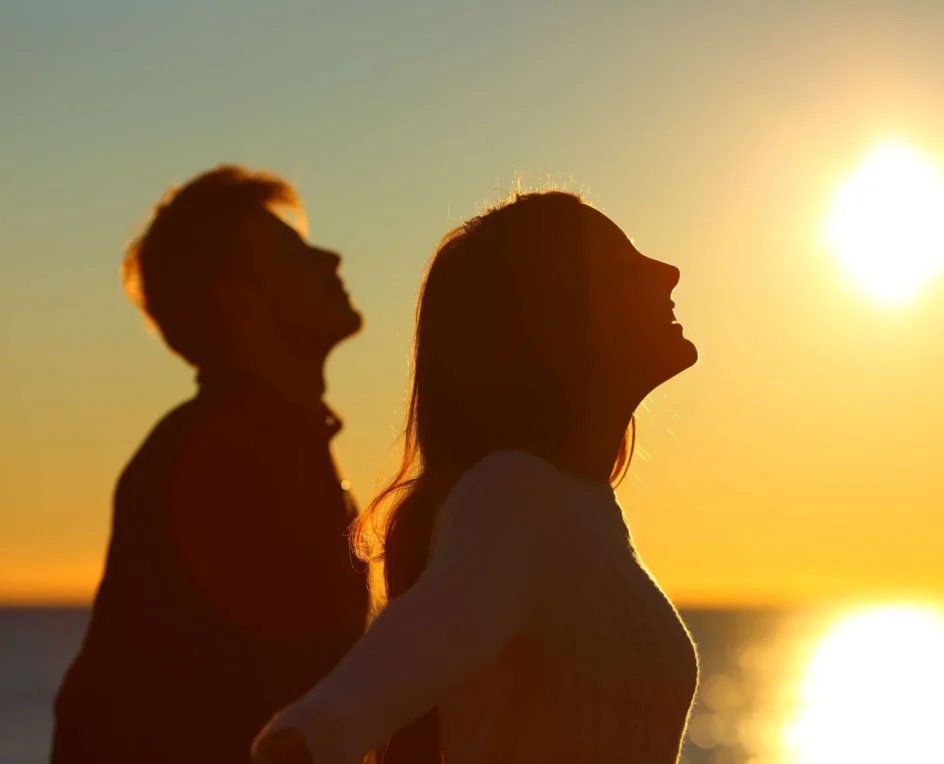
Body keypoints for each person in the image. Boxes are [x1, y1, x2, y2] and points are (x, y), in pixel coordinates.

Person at [251, 190, 701, 764]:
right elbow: (411, 651)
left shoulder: (577, 508)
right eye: (621, 269)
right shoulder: (515, 497)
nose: (667, 273)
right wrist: (307, 739)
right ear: (555, 318)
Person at [52, 166, 370, 764]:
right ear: (237, 296)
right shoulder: (226, 455)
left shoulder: (251, 442)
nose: (330, 259)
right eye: (294, 254)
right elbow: (305, 683)